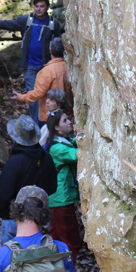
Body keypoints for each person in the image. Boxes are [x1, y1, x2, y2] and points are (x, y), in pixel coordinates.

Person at [0, 0, 61, 123]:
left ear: (47, 7)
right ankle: (38, 125)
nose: (39, 9)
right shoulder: (27, 20)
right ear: (33, 7)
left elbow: (58, 44)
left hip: (47, 67)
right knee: (33, 97)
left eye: (42, 6)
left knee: (48, 96)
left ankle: (50, 125)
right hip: (30, 66)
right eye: (37, 6)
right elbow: (11, 24)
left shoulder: (53, 24)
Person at [0, 115, 57, 245]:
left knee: (11, 257)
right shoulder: (47, 159)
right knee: (32, 255)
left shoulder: (14, 163)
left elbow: (3, 192)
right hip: (36, 217)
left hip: (14, 218)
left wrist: (5, 213)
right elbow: (52, 187)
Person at [45, 109, 82, 262]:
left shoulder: (61, 142)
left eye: (68, 119)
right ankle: (69, 269)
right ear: (57, 128)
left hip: (57, 198)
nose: (69, 122)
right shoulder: (57, 148)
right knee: (70, 237)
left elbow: (71, 145)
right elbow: (76, 155)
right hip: (61, 199)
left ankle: (54, 265)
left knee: (57, 234)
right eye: (65, 121)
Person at [11, 37, 73, 127]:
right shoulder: (70, 68)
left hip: (49, 118)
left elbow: (37, 94)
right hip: (67, 117)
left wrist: (21, 97)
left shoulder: (47, 71)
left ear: (50, 51)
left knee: (47, 140)